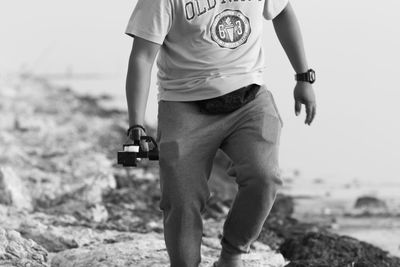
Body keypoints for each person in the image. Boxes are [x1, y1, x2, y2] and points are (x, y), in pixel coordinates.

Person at [124, 0, 316, 266]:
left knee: (265, 177)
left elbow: (283, 12)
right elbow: (142, 57)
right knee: (181, 201)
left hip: (250, 100)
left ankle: (232, 255)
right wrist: (136, 125)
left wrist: (303, 77)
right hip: (184, 106)